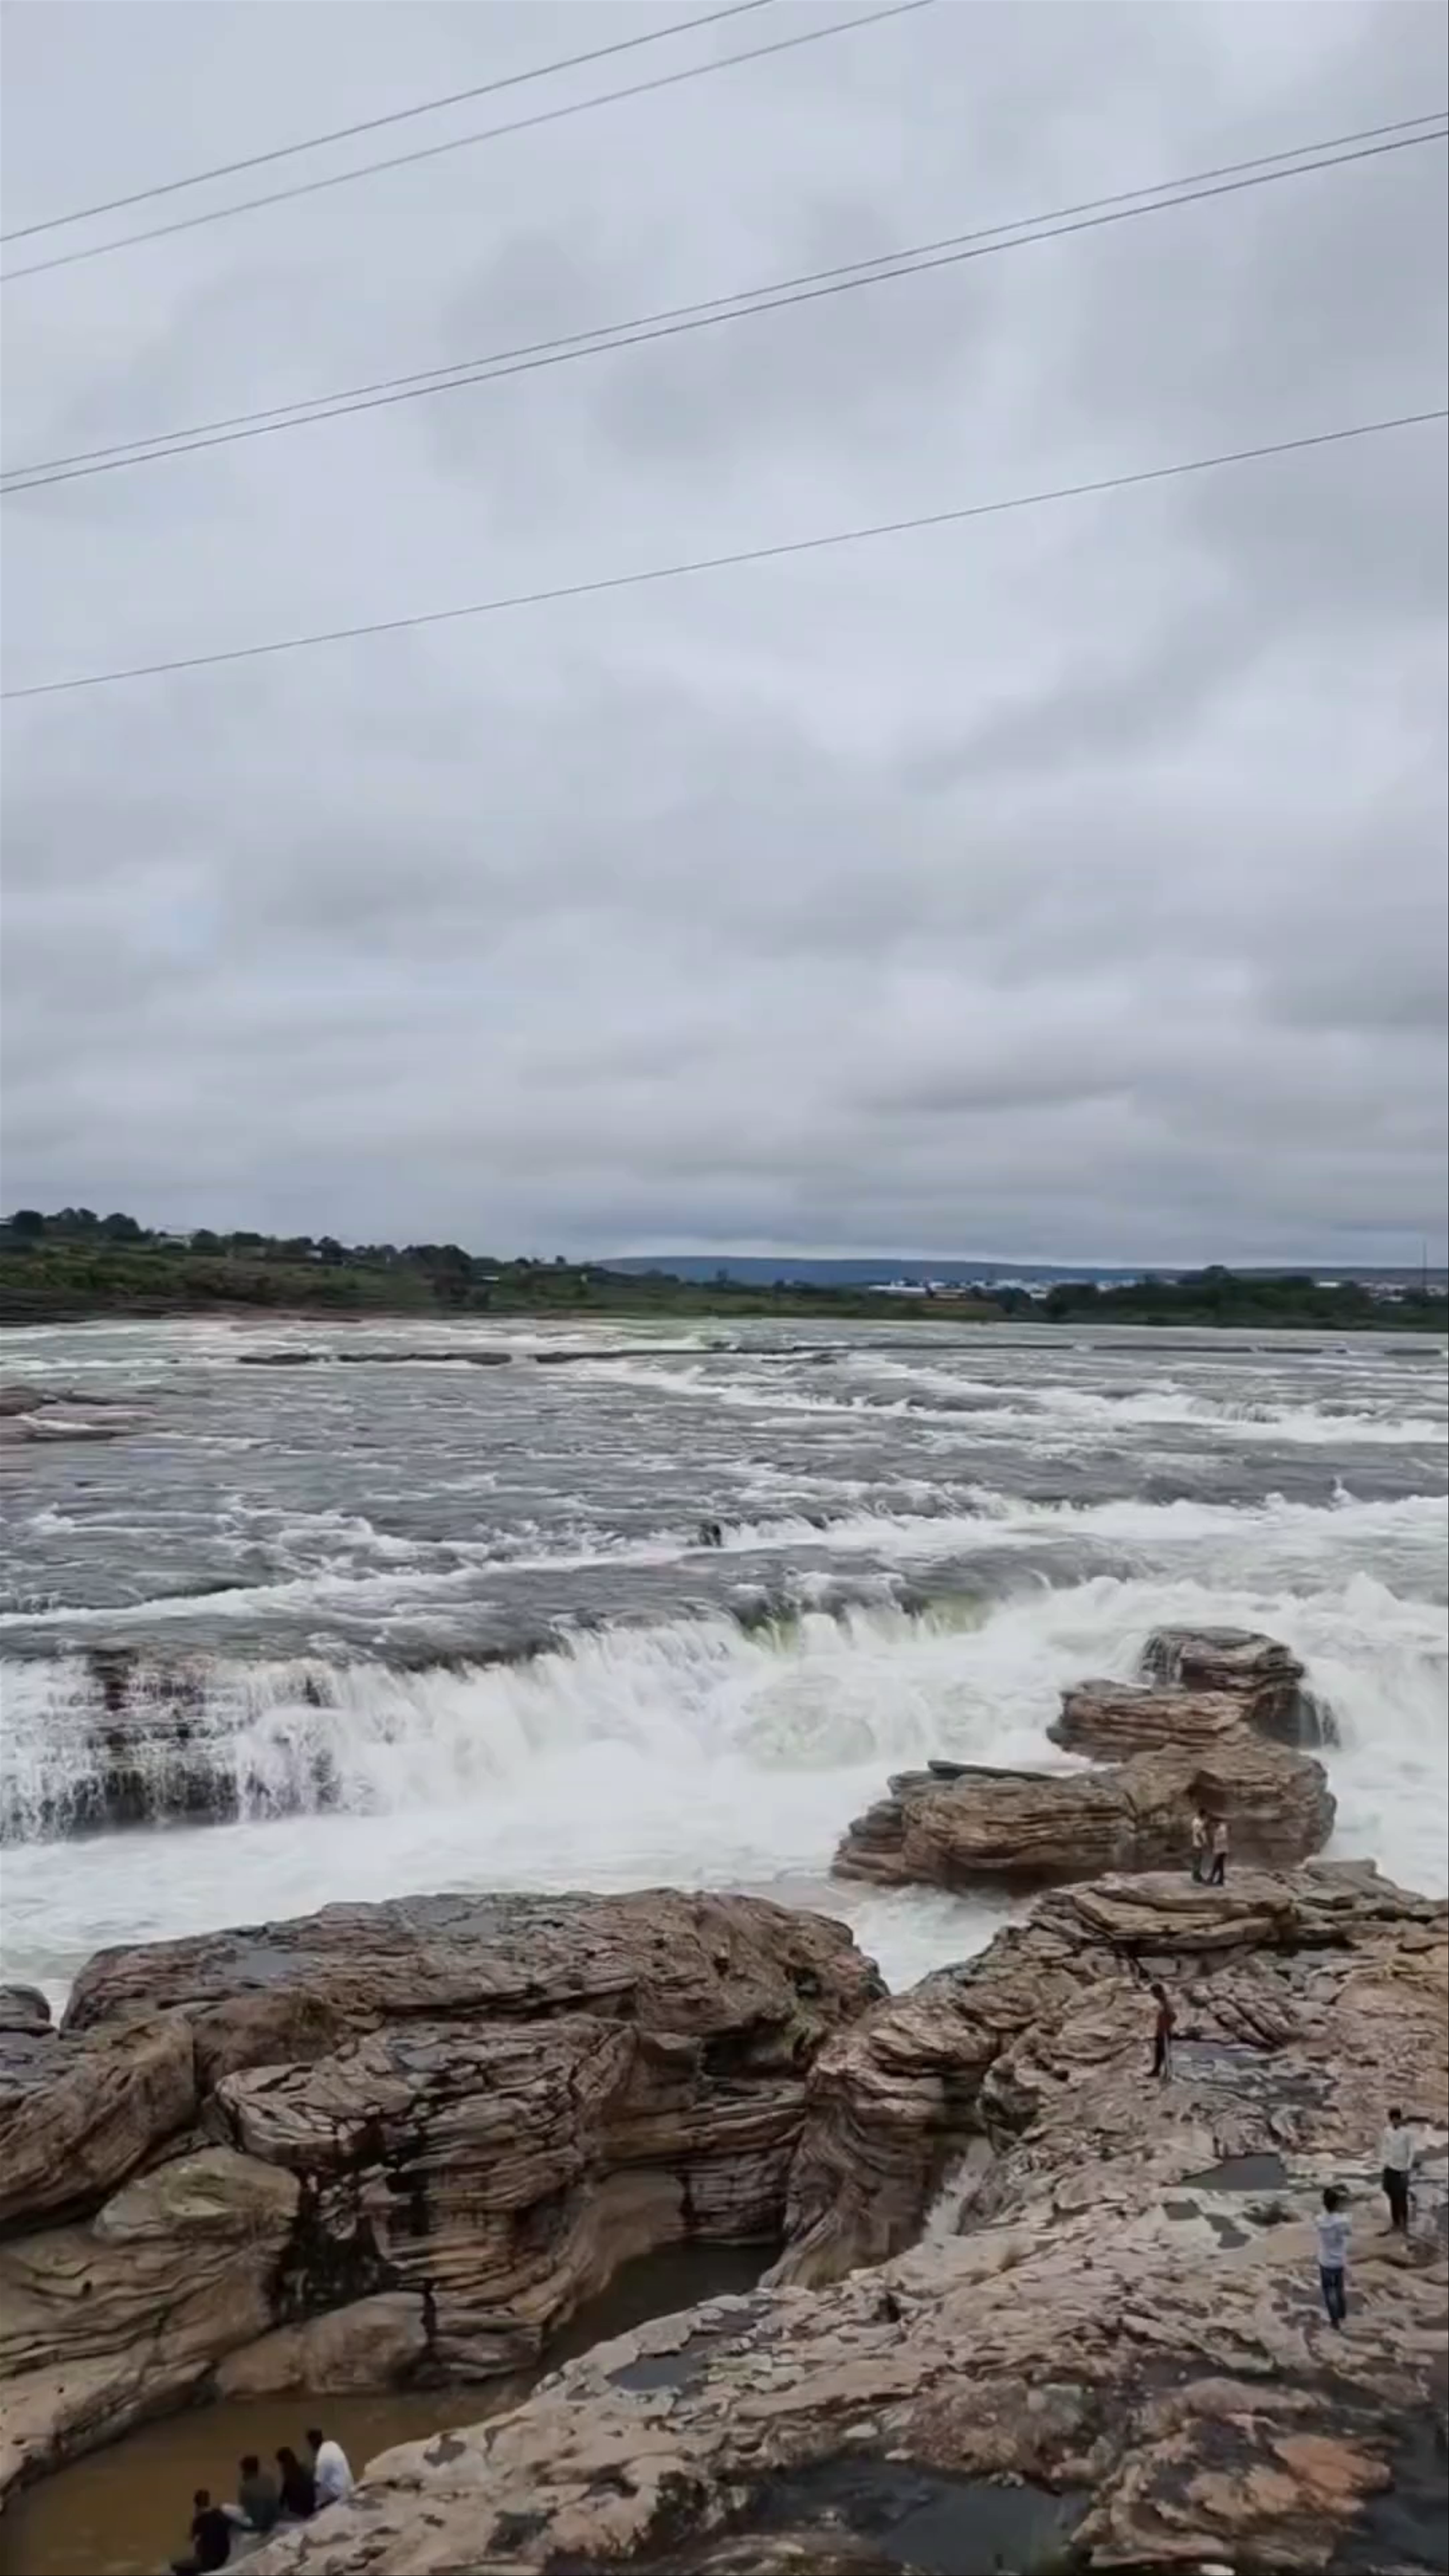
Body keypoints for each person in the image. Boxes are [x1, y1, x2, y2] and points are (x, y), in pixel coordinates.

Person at [171, 2490, 233, 2574]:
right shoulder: (219, 2514)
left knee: (175, 2567)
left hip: (210, 2562)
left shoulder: (199, 2520)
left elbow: (191, 2539)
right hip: (224, 2557)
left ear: (196, 2505)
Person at [1315, 2186, 1351, 2328]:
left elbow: (1322, 2218)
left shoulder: (1319, 2220)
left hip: (1325, 2261)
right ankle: (1343, 2313)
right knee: (1339, 2288)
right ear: (1337, 2204)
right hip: (1339, 2261)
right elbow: (1349, 2232)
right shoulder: (1343, 2221)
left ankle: (1334, 2321)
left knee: (1329, 2291)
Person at [1380, 2105, 1415, 2233]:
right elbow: (1385, 2147)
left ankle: (1404, 2224)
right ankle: (1395, 2222)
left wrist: (1408, 2168)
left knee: (1402, 2197)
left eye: (1397, 2119)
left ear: (1400, 2119)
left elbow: (1411, 2151)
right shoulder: (1387, 2131)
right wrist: (1384, 2163)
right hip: (1390, 2167)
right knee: (1391, 2194)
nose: (1395, 2122)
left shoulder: (1407, 2133)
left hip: (1402, 2169)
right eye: (1392, 2119)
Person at [308, 2427, 355, 2507]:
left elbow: (317, 2482)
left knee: (317, 2490)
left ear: (312, 2442)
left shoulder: (321, 2458)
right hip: (350, 2485)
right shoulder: (334, 2445)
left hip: (339, 2494)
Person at [237, 2454, 280, 2533]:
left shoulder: (245, 2488)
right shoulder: (268, 2479)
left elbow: (245, 2509)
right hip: (275, 2519)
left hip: (259, 2526)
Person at [275, 2446, 317, 2520]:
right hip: (312, 2507)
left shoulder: (289, 2472)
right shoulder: (305, 2468)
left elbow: (285, 2493)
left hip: (300, 2511)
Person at [1149, 1981, 1175, 2081]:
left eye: (1154, 1993)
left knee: (1166, 2053)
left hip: (1165, 2033)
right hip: (1160, 2032)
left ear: (1158, 1993)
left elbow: (1173, 2017)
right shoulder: (1161, 2003)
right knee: (1158, 2053)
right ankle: (1156, 2071)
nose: (1153, 1995)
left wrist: (1166, 2026)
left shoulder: (1166, 2003)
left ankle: (1168, 2074)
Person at [1208, 1817, 1229, 1886]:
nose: (1212, 1825)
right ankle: (1221, 1880)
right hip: (1220, 1850)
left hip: (1222, 1850)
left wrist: (1218, 1840)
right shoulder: (1219, 1828)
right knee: (1220, 1866)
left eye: (1213, 1824)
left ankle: (1211, 1879)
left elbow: (1224, 1838)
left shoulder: (1222, 1828)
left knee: (1216, 1865)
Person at [1189, 1809, 1209, 1882]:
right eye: (1205, 1815)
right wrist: (1203, 1843)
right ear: (1202, 1814)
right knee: (1197, 1861)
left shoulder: (1199, 1821)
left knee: (1198, 1861)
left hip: (1199, 1844)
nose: (1205, 1817)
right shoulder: (1197, 1822)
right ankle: (1196, 1877)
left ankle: (1197, 1875)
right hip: (1198, 1844)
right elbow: (1198, 1834)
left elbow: (1202, 1830)